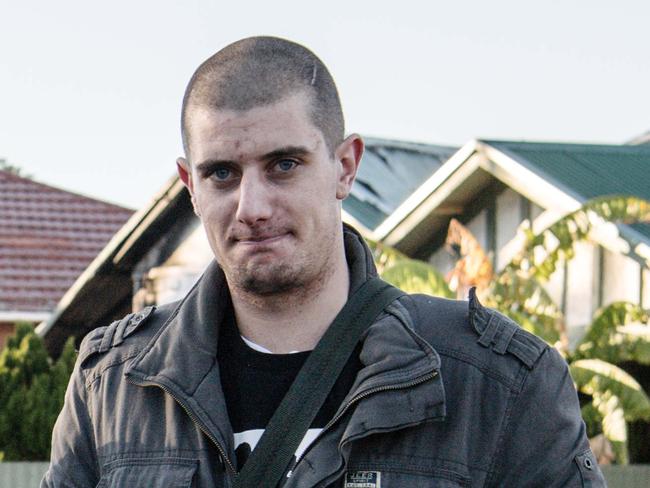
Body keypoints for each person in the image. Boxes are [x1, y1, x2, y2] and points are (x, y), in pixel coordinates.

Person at [42, 37, 606, 487]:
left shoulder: (497, 385)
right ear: (190, 185)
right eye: (222, 173)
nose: (253, 207)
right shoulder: (114, 386)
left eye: (283, 164)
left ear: (344, 166)